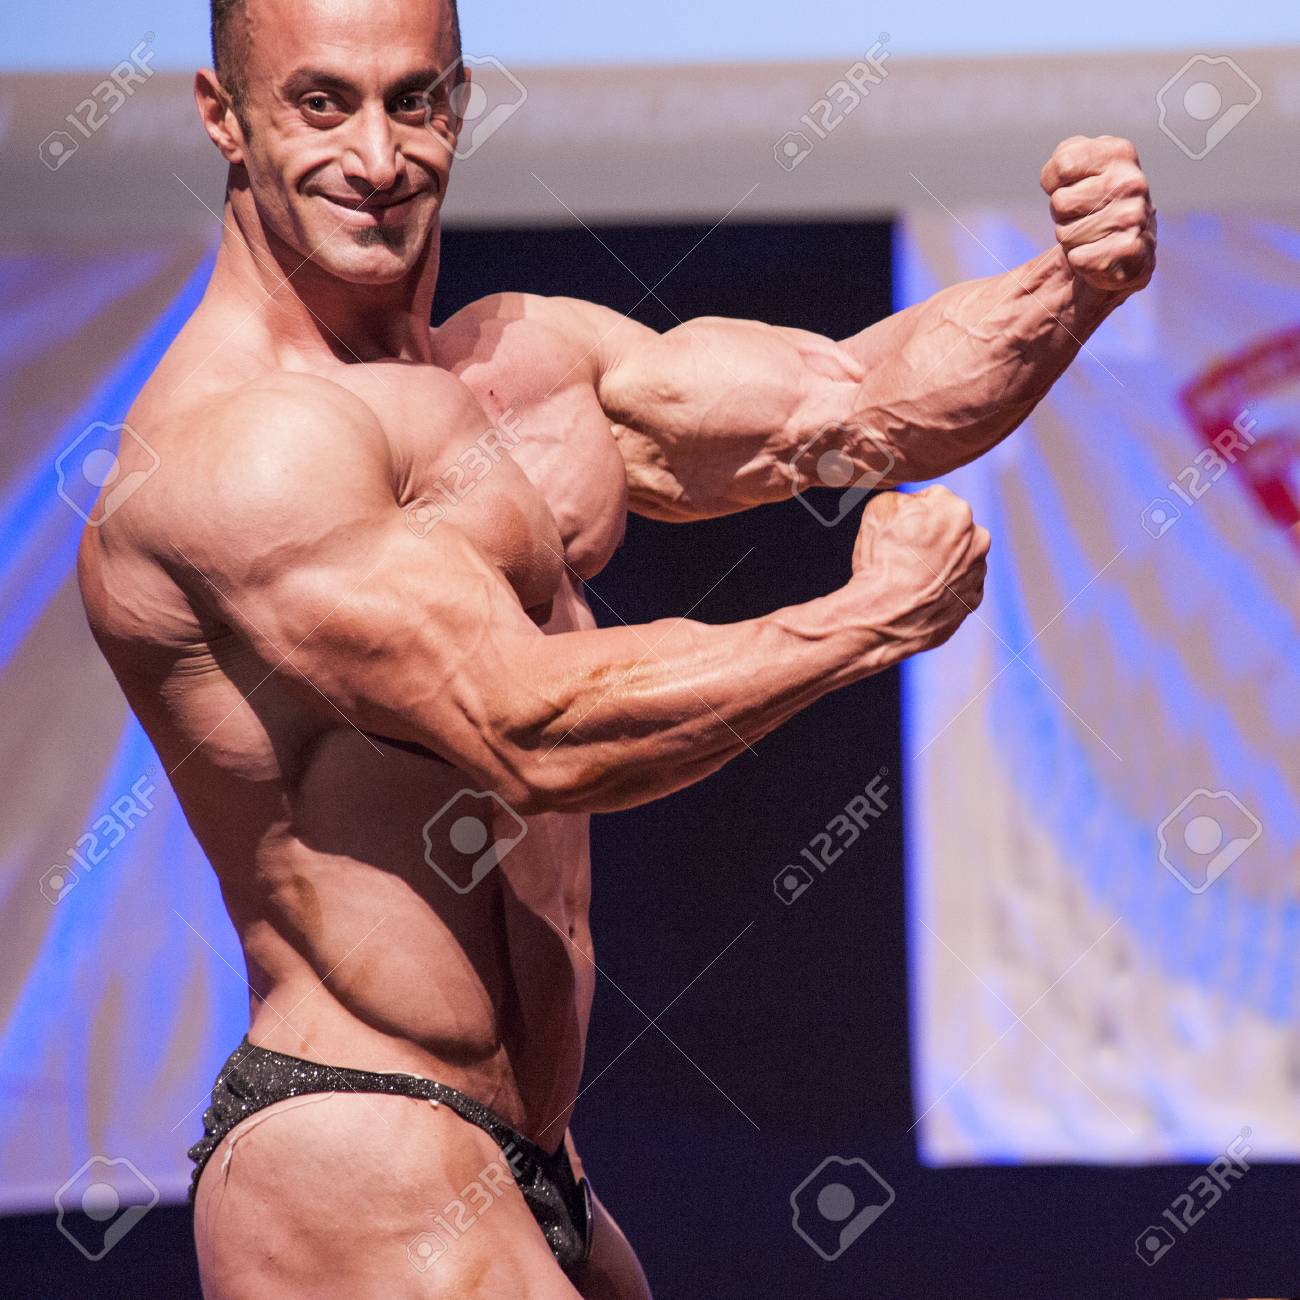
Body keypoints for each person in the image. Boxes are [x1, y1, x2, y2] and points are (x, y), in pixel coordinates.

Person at [75, 0, 1156, 1294]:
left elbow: (858, 400)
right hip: (358, 1137)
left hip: (538, 1161)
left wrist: (1074, 283)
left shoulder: (522, 365)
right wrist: (860, 623)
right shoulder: (246, 449)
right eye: (321, 103)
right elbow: (526, 727)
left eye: (412, 101)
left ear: (460, 103)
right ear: (222, 115)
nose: (376, 156)